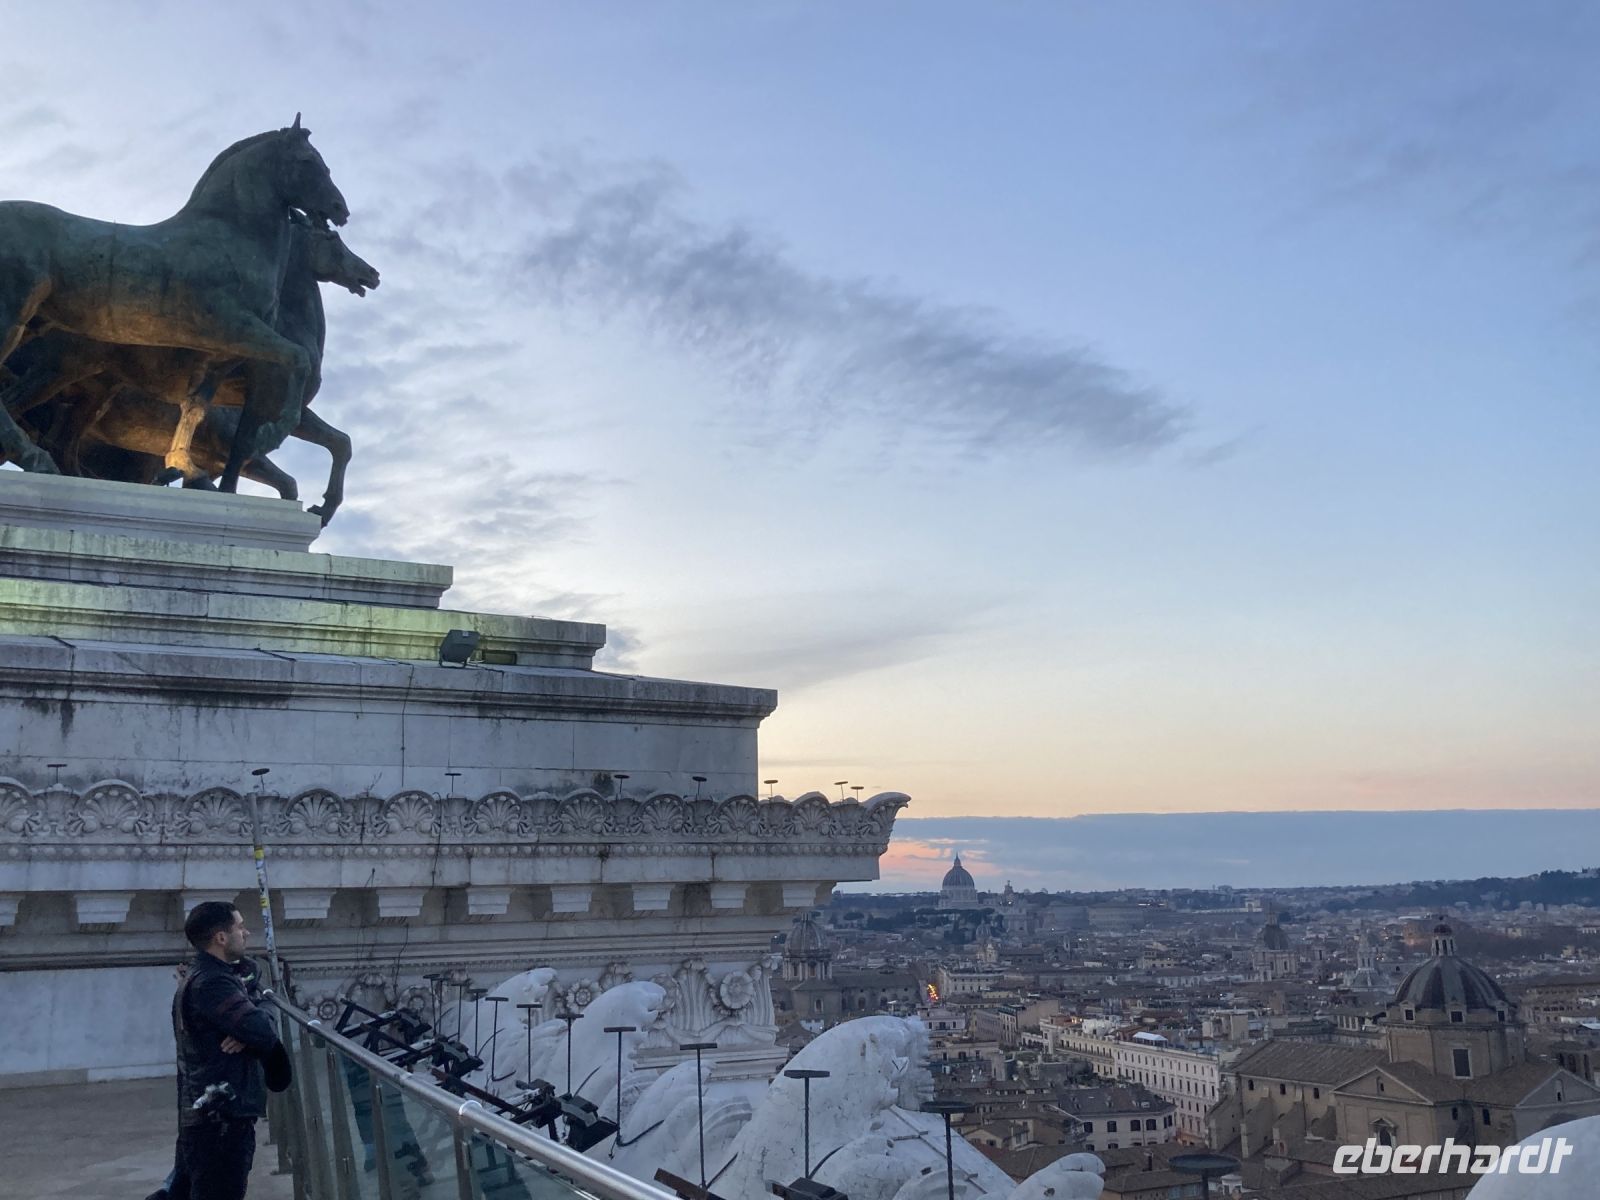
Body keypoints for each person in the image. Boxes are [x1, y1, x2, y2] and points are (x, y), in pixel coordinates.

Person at [166, 902, 285, 1200]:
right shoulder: (212, 983)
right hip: (220, 1120)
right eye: (240, 926)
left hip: (208, 1116)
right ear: (221, 937)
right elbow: (262, 1029)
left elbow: (252, 1026)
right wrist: (265, 1006)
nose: (246, 933)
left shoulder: (204, 976)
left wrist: (247, 1026)